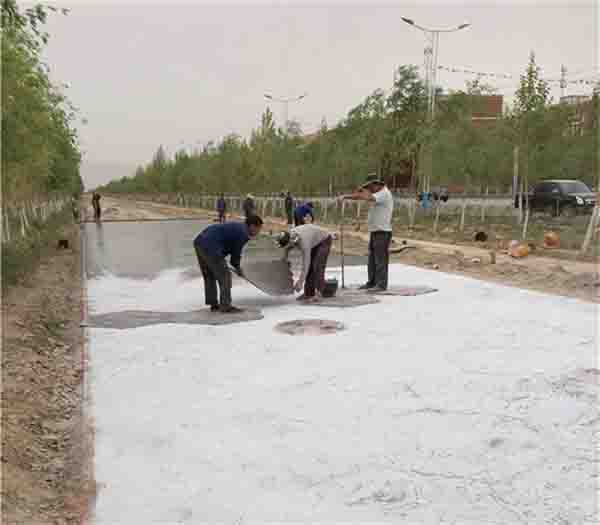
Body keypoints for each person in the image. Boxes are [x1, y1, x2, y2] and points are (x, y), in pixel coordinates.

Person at [193, 215, 263, 313]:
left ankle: (213, 304)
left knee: (209, 275)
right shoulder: (243, 233)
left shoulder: (239, 227)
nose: (258, 232)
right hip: (211, 246)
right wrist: (238, 268)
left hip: (199, 242)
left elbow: (230, 248)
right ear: (252, 226)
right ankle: (226, 306)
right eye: (258, 229)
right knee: (225, 275)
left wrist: (234, 265)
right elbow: (235, 254)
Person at [342, 173, 394, 291]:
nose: (370, 189)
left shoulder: (384, 193)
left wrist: (362, 190)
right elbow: (361, 196)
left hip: (382, 232)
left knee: (380, 260)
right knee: (372, 259)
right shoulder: (376, 193)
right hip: (375, 231)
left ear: (376, 184)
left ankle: (381, 285)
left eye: (370, 187)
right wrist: (346, 196)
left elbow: (367, 197)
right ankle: (372, 282)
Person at [276, 223, 333, 302]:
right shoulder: (289, 236)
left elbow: (306, 264)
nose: (287, 247)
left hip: (324, 240)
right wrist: (282, 264)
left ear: (291, 241)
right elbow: (285, 250)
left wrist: (300, 282)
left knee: (317, 266)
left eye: (288, 245)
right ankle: (308, 294)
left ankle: (319, 293)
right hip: (313, 240)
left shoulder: (304, 242)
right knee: (311, 268)